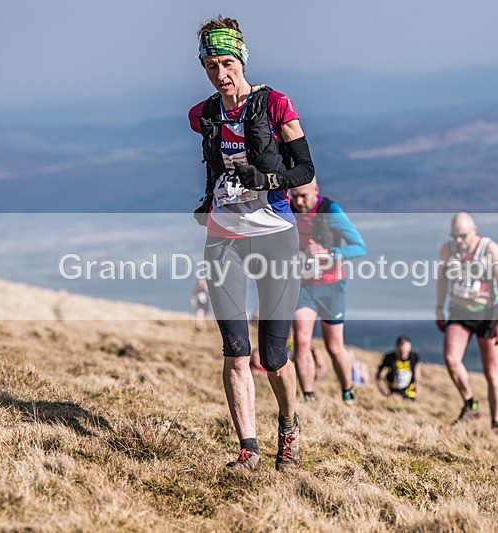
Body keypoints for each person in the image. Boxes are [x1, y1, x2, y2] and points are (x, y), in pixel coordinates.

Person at [188, 17, 315, 472]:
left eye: (226, 62)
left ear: (241, 59)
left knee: (274, 356)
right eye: (210, 65)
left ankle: (288, 426)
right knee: (236, 351)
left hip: (275, 237)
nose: (220, 74)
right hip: (223, 239)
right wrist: (209, 198)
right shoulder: (202, 114)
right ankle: (248, 449)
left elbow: (305, 170)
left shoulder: (276, 105)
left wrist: (266, 178)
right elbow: (212, 162)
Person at [290, 179, 366, 404]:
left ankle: (347, 390)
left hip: (332, 286)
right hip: (304, 286)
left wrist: (329, 253)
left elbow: (359, 247)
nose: (299, 201)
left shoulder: (330, 211)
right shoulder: (288, 208)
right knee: (302, 341)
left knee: (334, 347)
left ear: (316, 191)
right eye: (294, 196)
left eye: (303, 196)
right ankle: (309, 397)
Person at [435, 212, 498, 429]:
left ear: (474, 231)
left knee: (491, 371)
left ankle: (496, 423)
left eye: (462, 236)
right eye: (454, 236)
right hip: (459, 311)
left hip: (488, 314)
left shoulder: (489, 250)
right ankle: (470, 404)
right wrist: (439, 308)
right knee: (451, 358)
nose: (458, 241)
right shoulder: (447, 249)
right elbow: (442, 278)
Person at [376, 336, 420, 400]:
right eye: (401, 351)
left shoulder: (414, 357)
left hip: (409, 392)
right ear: (397, 348)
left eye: (406, 351)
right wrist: (382, 387)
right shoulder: (389, 358)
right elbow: (379, 375)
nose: (403, 354)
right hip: (392, 392)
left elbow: (417, 368)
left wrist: (417, 383)